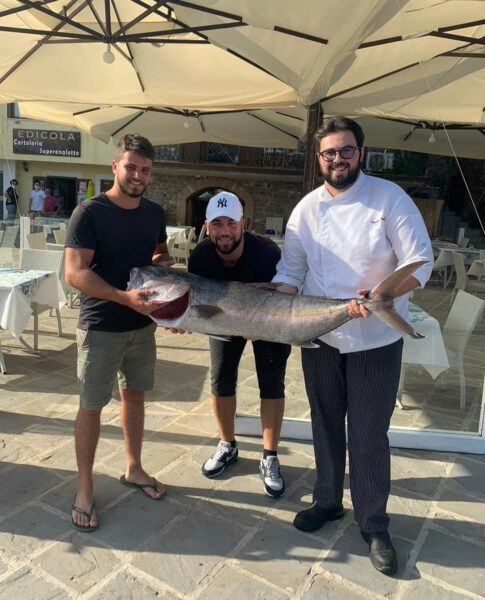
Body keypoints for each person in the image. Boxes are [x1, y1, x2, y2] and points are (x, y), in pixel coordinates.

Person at [273, 117, 433, 575]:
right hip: (321, 335)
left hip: (376, 338)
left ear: (361, 153)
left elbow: (420, 260)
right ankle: (327, 500)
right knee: (324, 423)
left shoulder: (390, 198)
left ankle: (374, 523)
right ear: (318, 157)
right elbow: (290, 273)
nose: (338, 159)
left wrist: (385, 293)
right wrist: (268, 310)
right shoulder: (306, 210)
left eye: (346, 150)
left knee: (367, 432)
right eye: (329, 152)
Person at [64, 133, 174, 533]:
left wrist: (164, 270)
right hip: (101, 326)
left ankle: (133, 467)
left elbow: (158, 253)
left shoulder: (154, 212)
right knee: (91, 406)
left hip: (141, 326)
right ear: (115, 166)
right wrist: (123, 297)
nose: (138, 175)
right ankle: (85, 486)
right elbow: (74, 273)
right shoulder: (89, 213)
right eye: (131, 167)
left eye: (145, 170)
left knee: (135, 397)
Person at [187, 191, 291, 498]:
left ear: (243, 224)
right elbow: (197, 304)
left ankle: (270, 455)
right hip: (224, 322)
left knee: (272, 383)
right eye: (217, 223)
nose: (225, 231)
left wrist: (262, 326)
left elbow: (284, 294)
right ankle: (227, 444)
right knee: (221, 380)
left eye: (231, 223)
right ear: (207, 226)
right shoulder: (200, 257)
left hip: (266, 321)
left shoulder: (267, 252)